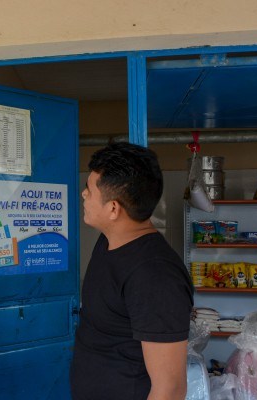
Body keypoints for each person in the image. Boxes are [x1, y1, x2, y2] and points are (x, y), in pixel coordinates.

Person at [70, 142, 193, 400]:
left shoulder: (155, 275)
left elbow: (170, 389)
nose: (83, 195)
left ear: (113, 208)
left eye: (89, 190)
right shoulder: (109, 240)